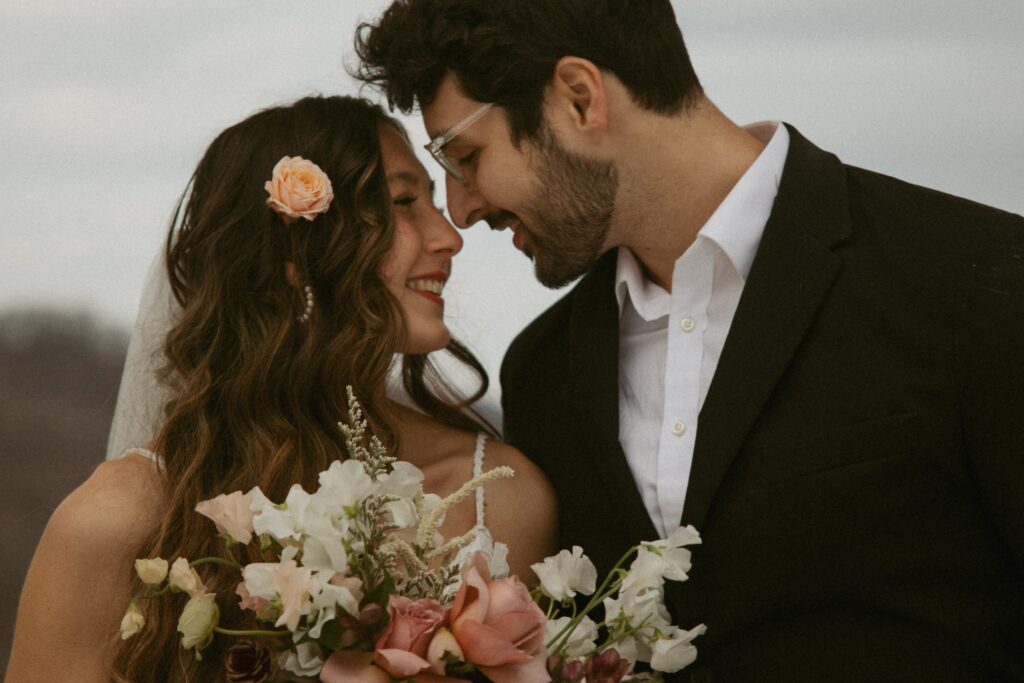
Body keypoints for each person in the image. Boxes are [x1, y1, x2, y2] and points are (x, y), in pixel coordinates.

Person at [354, 1, 1024, 680]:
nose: (462, 207)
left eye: (466, 157)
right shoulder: (543, 370)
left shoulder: (979, 279)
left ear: (579, 99)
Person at [5, 95, 556, 682]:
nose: (450, 236)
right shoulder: (118, 521)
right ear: (296, 253)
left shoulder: (497, 500)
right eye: (403, 202)